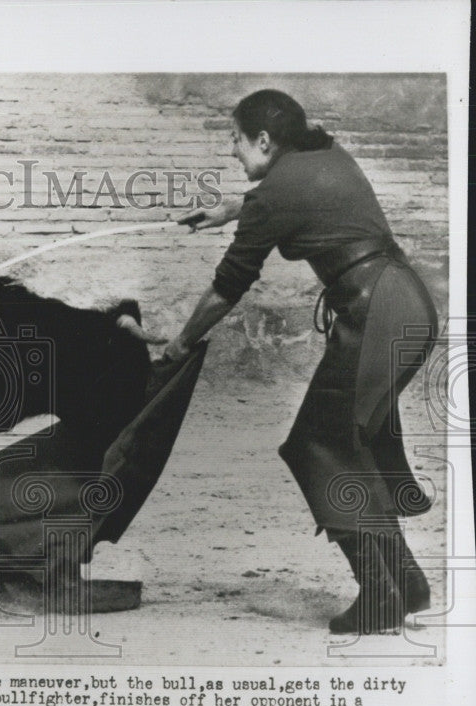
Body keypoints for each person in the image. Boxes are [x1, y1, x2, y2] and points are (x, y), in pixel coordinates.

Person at [171, 89, 438, 634]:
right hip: (405, 303)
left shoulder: (275, 194)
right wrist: (232, 209)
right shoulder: (327, 155)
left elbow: (227, 289)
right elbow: (298, 197)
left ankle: (379, 593)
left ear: (264, 141)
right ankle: (404, 582)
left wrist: (179, 343)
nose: (232, 152)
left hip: (375, 315)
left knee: (318, 444)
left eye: (236, 141)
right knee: (354, 443)